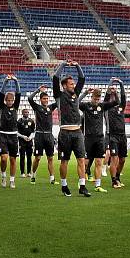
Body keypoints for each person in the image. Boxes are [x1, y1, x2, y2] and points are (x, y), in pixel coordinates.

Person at [52, 60, 90, 197]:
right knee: (65, 161)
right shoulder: (59, 96)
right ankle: (64, 185)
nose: (73, 86)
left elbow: (82, 78)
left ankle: (82, 186)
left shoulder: (76, 94)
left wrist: (77, 65)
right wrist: (63, 64)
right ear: (64, 86)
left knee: (81, 159)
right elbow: (55, 78)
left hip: (78, 132)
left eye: (73, 84)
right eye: (71, 84)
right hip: (65, 133)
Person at [79, 87, 121, 193]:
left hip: (100, 138)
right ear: (92, 97)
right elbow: (76, 102)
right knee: (85, 162)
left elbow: (117, 102)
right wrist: (85, 93)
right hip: (88, 138)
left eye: (98, 99)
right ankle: (81, 182)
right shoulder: (85, 106)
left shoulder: (102, 106)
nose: (96, 101)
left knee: (98, 162)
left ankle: (98, 185)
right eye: (95, 99)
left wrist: (115, 93)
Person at [105, 79, 130, 188]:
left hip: (122, 137)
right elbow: (106, 98)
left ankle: (117, 178)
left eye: (114, 96)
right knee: (114, 159)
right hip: (113, 137)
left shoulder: (121, 108)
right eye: (112, 96)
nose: (113, 97)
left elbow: (123, 97)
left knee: (122, 160)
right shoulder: (106, 108)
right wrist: (110, 84)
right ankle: (113, 181)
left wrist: (121, 84)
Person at [28, 85, 57, 184]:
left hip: (49, 135)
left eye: (47, 99)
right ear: (40, 100)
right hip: (39, 135)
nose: (46, 100)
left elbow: (59, 99)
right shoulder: (37, 107)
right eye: (44, 99)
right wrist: (38, 90)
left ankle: (52, 178)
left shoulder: (51, 107)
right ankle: (33, 174)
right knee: (38, 158)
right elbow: (29, 98)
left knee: (50, 158)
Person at [0, 74, 21, 189]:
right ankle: (3, 176)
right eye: (8, 100)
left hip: (13, 136)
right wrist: (6, 81)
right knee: (3, 158)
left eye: (12, 100)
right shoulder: (2, 107)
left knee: (12, 159)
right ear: (5, 100)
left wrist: (16, 81)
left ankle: (12, 180)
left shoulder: (15, 107)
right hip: (3, 135)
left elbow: (19, 94)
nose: (10, 101)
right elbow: (1, 93)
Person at [17, 108, 35, 178]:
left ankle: (29, 172)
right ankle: (22, 172)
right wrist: (23, 136)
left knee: (29, 157)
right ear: (22, 113)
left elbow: (33, 131)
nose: (26, 113)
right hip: (22, 141)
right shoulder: (19, 121)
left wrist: (30, 137)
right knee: (22, 157)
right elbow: (17, 132)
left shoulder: (31, 121)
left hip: (29, 141)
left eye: (27, 112)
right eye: (25, 112)